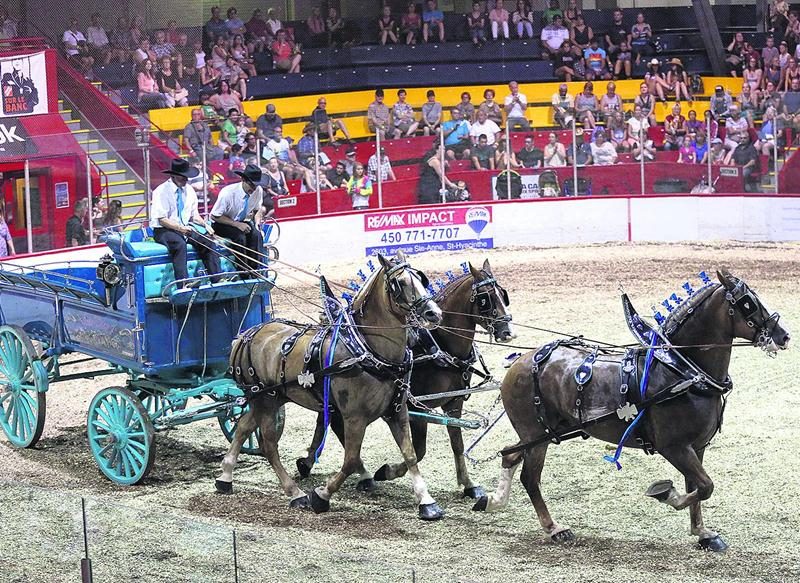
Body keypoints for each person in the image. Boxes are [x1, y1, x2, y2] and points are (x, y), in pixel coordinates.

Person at [152, 159, 221, 288]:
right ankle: (183, 283)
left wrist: (205, 225)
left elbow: (194, 215)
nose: (186, 179)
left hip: (185, 227)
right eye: (183, 176)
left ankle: (217, 279)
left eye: (187, 177)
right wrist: (180, 228)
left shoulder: (189, 190)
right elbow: (161, 219)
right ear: (173, 175)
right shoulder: (161, 191)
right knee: (179, 244)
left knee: (207, 241)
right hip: (164, 229)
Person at [211, 164, 264, 272]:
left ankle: (255, 270)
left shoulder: (258, 190)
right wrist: (236, 224)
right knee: (239, 237)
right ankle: (243, 271)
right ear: (243, 180)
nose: (253, 189)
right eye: (251, 184)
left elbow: (257, 209)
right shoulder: (228, 193)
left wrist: (257, 223)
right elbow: (215, 216)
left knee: (256, 235)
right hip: (222, 223)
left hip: (242, 221)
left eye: (255, 185)